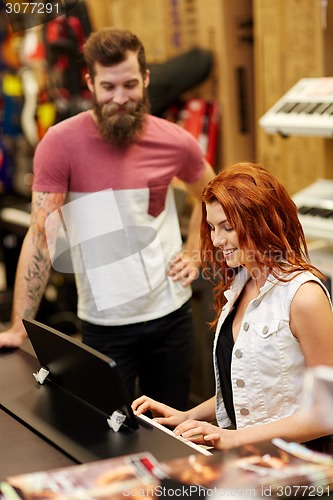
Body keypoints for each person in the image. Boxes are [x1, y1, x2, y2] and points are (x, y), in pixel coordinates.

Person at [0, 28, 215, 410]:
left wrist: (196, 250)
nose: (120, 98)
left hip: (171, 318)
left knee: (172, 435)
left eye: (130, 85)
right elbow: (41, 236)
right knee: (106, 434)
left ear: (146, 79)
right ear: (90, 83)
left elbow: (214, 195)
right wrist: (20, 325)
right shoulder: (60, 144)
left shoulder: (174, 141)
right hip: (104, 324)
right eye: (108, 86)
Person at [132, 162, 333, 450]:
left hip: (299, 467)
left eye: (228, 227)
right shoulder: (240, 284)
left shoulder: (304, 297)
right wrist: (187, 416)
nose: (216, 240)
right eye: (213, 228)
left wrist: (234, 436)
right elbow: (251, 387)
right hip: (252, 458)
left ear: (263, 222)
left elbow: (327, 412)